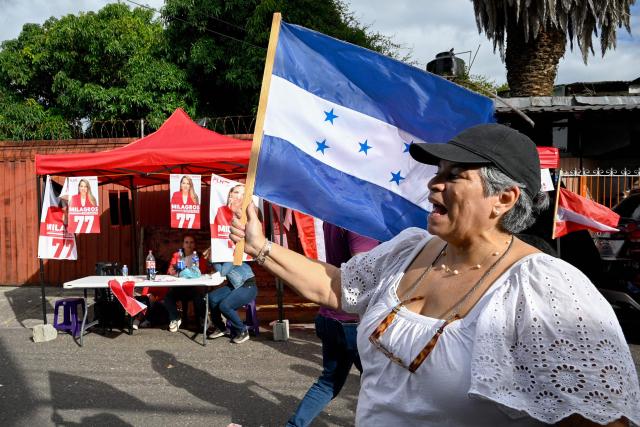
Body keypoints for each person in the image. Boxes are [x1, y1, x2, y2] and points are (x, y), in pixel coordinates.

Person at [230, 124, 640, 426]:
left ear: (504, 198)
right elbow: (337, 287)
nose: (433, 185)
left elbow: (603, 419)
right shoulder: (410, 249)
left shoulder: (545, 290)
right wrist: (259, 246)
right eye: (437, 172)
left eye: (453, 176)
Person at [287, 223, 378, 427]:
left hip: (331, 315)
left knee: (329, 382)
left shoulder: (336, 217)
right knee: (380, 386)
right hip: (354, 320)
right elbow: (363, 270)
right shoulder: (359, 222)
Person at [202, 246, 257, 344]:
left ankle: (242, 331)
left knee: (225, 306)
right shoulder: (222, 259)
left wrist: (213, 260)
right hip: (234, 286)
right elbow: (218, 269)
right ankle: (220, 327)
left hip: (247, 286)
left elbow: (223, 272)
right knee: (212, 298)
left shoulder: (232, 256)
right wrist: (211, 260)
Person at [163, 234, 208, 332]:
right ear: (183, 244)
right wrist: (185, 272)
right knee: (168, 297)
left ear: (195, 244)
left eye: (191, 242)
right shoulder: (177, 255)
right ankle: (175, 318)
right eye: (186, 242)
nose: (189, 245)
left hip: (193, 288)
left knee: (199, 297)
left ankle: (202, 319)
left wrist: (183, 272)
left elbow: (202, 272)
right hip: (179, 287)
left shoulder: (199, 257)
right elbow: (170, 270)